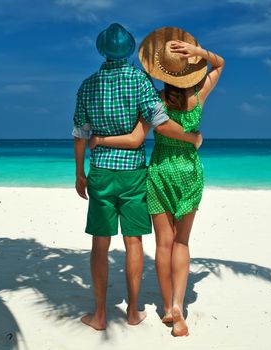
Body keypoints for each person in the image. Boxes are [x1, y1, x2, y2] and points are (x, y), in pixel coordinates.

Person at [89, 27, 225, 336]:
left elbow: (156, 130)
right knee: (182, 242)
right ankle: (178, 304)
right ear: (189, 70)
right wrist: (200, 54)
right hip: (189, 171)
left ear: (161, 71)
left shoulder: (155, 97)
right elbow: (220, 64)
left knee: (163, 243)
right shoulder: (199, 95)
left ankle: (167, 307)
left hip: (160, 169)